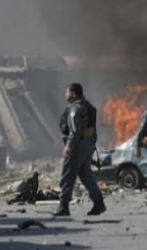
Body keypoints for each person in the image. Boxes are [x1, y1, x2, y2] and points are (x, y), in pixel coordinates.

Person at [53, 83, 106, 216]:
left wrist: (69, 146)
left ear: (73, 93)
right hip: (87, 144)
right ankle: (99, 203)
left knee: (68, 174)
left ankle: (63, 206)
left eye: (67, 92)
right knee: (85, 174)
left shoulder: (75, 108)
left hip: (77, 145)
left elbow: (75, 131)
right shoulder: (88, 106)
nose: (65, 95)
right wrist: (90, 145)